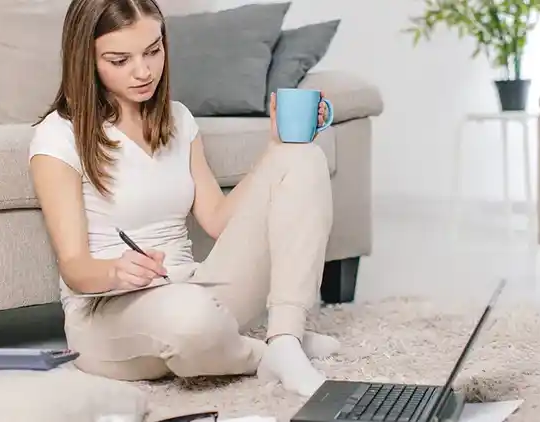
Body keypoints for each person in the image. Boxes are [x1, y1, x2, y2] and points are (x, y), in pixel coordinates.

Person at [28, 0, 339, 397]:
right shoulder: (58, 135)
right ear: (85, 59)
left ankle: (285, 335)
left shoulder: (177, 120)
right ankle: (261, 351)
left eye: (153, 51)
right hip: (108, 315)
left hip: (193, 287)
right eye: (120, 60)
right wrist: (116, 271)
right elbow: (74, 267)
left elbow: (217, 220)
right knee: (190, 320)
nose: (143, 71)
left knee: (302, 155)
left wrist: (275, 150)